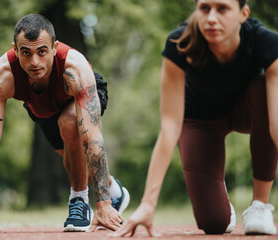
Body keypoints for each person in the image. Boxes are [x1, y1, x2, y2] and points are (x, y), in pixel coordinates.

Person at [0, 14, 130, 234]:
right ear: (15, 49)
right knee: (73, 159)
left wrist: (103, 205)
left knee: (70, 124)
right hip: (42, 110)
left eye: (42, 51)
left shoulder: (75, 68)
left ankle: (79, 202)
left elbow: (92, 136)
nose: (34, 62)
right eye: (26, 53)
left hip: (81, 97)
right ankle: (115, 190)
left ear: (54, 47)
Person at [111, 0, 278, 237]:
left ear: (243, 14)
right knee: (214, 223)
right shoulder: (180, 44)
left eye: (222, 9)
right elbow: (169, 128)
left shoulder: (266, 42)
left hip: (247, 111)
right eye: (204, 8)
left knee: (262, 88)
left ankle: (260, 205)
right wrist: (148, 203)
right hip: (200, 120)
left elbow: (277, 127)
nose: (211, 17)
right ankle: (219, 200)